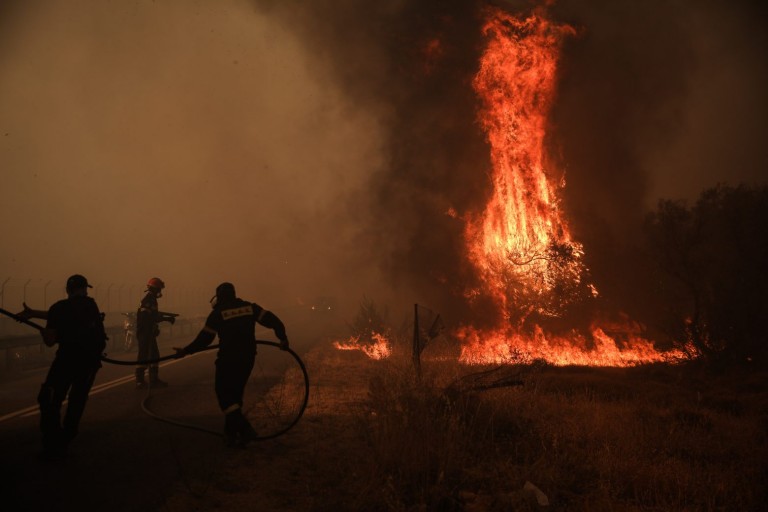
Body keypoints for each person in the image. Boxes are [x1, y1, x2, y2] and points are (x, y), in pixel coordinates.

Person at [174, 282, 289, 447]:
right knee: (235, 396)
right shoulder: (249, 308)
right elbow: (274, 321)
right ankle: (231, 436)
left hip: (228, 359)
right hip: (248, 358)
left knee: (224, 396)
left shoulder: (217, 314)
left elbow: (204, 340)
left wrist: (185, 351)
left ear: (218, 297)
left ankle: (245, 430)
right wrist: (283, 338)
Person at [18, 274, 107, 460]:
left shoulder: (59, 308)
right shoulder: (91, 306)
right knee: (77, 401)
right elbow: (70, 315)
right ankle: (66, 439)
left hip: (66, 361)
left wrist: (44, 331)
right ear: (84, 289)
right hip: (89, 363)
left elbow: (51, 339)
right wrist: (34, 313)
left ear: (68, 290)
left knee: (50, 398)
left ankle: (52, 444)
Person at [135, 277, 175, 388]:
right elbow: (148, 317)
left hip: (148, 332)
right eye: (159, 289)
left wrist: (157, 325)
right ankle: (140, 380)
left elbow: (152, 315)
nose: (160, 292)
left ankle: (152, 379)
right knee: (144, 355)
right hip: (145, 332)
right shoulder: (148, 299)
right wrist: (166, 319)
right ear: (154, 289)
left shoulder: (151, 299)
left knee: (153, 355)